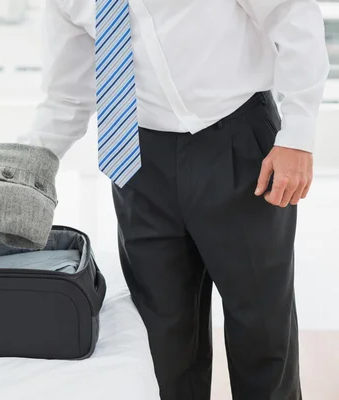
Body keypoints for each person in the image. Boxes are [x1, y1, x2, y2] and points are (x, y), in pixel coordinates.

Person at [18, 0, 330, 399]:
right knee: (161, 341)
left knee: (262, 330)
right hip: (138, 161)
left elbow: (291, 14)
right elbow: (67, 98)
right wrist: (19, 173)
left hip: (238, 141)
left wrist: (299, 135)